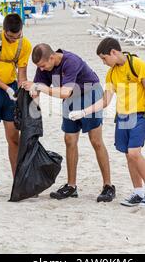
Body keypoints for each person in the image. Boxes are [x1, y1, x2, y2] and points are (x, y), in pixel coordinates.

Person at [69, 38, 145, 207]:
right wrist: (83, 112)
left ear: (114, 52)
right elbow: (105, 101)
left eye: (104, 58)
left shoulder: (137, 64)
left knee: (134, 153)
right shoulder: (111, 73)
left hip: (141, 114)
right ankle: (138, 191)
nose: (104, 63)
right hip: (123, 116)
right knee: (128, 155)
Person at [22, 44, 115, 203]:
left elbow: (65, 92)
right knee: (69, 140)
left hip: (89, 93)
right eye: (39, 67)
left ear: (52, 57)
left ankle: (108, 186)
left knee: (96, 141)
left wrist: (39, 87)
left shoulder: (71, 61)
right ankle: (71, 186)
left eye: (43, 66)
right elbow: (38, 89)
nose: (42, 70)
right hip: (70, 100)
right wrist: (32, 108)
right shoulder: (43, 67)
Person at [0, 13, 33, 199]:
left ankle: (18, 181)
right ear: (4, 31)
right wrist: (5, 89)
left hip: (11, 90)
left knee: (14, 138)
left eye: (16, 36)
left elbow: (22, 72)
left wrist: (20, 92)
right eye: (10, 37)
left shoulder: (24, 44)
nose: (13, 40)